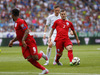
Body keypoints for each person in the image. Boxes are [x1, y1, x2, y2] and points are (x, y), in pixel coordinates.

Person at [8, 8, 49, 74]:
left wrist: (23, 40)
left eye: (11, 14)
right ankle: (44, 70)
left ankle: (41, 54)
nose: (11, 15)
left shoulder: (21, 21)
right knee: (29, 58)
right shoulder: (15, 23)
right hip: (23, 42)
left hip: (29, 41)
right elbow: (19, 36)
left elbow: (27, 31)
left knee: (35, 57)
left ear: (13, 15)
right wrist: (12, 41)